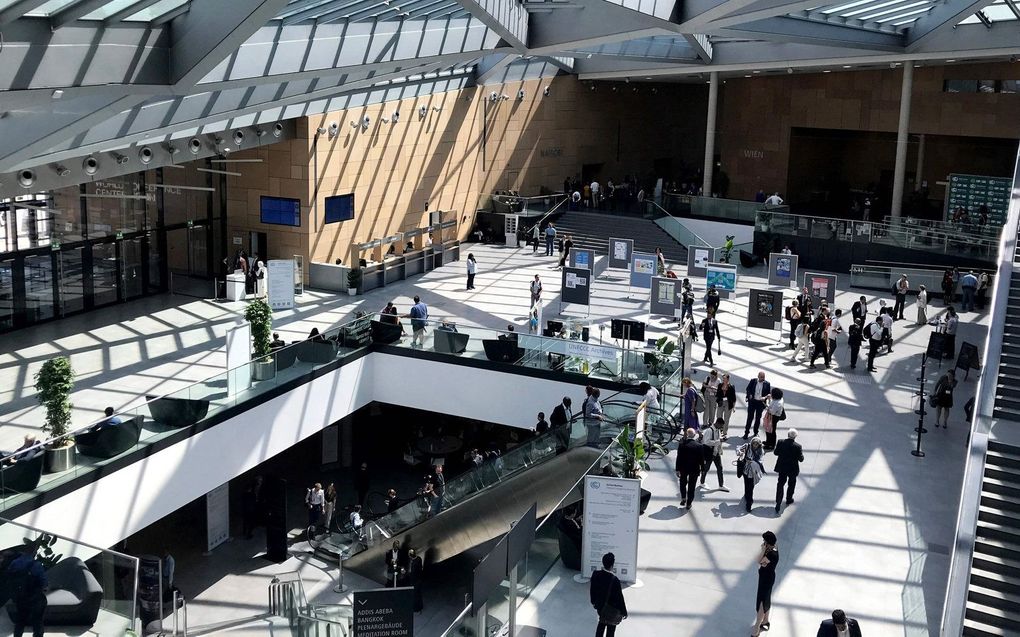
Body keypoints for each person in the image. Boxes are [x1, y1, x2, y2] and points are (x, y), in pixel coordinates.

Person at [5, 546, 47, 637]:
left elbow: (9, 579)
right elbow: (43, 582)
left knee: (20, 621)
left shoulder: (14, 563)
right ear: (34, 553)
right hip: (35, 597)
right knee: (38, 621)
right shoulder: (36, 565)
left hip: (21, 597)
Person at [589, 552, 627, 637]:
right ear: (612, 565)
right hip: (611, 609)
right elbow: (619, 598)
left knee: (601, 624)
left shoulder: (595, 574)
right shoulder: (615, 580)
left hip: (600, 607)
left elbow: (592, 590)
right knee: (611, 630)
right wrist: (624, 611)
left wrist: (594, 602)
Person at [751, 531, 780, 636]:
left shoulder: (772, 554)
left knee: (762, 602)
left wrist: (762, 550)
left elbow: (759, 561)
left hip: (766, 580)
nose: (763, 542)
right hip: (766, 577)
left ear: (768, 542)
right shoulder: (773, 548)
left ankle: (757, 627)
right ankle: (765, 620)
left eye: (764, 541)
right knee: (766, 599)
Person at [774, 428, 803, 513]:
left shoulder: (780, 442)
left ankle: (778, 503)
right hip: (792, 469)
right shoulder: (798, 446)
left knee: (780, 484)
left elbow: (776, 453)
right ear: (795, 437)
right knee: (791, 484)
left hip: (782, 467)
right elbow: (801, 459)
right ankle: (789, 499)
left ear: (788, 434)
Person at [674, 428, 704, 509]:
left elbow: (679, 457)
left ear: (687, 435)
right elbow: (701, 459)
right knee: (692, 486)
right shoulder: (699, 446)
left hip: (683, 468)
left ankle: (683, 498)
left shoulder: (682, 445)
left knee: (682, 483)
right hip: (694, 469)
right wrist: (703, 469)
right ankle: (689, 503)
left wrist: (677, 469)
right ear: (694, 435)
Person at [737, 437, 766, 512]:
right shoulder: (747, 446)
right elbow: (738, 449)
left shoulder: (761, 451)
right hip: (745, 470)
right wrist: (740, 453)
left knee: (751, 487)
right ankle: (747, 497)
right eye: (753, 444)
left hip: (753, 472)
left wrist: (752, 462)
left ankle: (749, 504)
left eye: (756, 444)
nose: (755, 445)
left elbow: (761, 461)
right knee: (747, 485)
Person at [700, 417, 728, 491]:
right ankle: (702, 482)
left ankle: (721, 485)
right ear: (717, 423)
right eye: (721, 425)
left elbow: (717, 439)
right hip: (709, 453)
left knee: (720, 468)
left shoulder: (717, 430)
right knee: (706, 469)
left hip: (716, 452)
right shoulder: (709, 431)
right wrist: (719, 441)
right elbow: (706, 442)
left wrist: (721, 438)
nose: (721, 427)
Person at [744, 372, 770, 439]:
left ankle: (755, 432)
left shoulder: (767, 384)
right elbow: (748, 389)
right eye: (761, 377)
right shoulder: (753, 381)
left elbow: (768, 394)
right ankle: (746, 432)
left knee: (758, 418)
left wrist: (765, 397)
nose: (763, 378)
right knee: (750, 418)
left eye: (763, 377)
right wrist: (749, 395)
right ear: (758, 376)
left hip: (760, 403)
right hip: (752, 402)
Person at [716, 373, 737, 440]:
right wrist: (721, 390)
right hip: (721, 402)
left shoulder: (731, 386)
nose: (723, 380)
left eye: (725, 378)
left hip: (728, 403)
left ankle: (725, 433)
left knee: (726, 418)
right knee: (719, 416)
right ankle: (720, 429)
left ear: (728, 379)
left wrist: (733, 406)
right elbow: (717, 394)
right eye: (723, 378)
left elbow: (734, 397)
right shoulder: (720, 385)